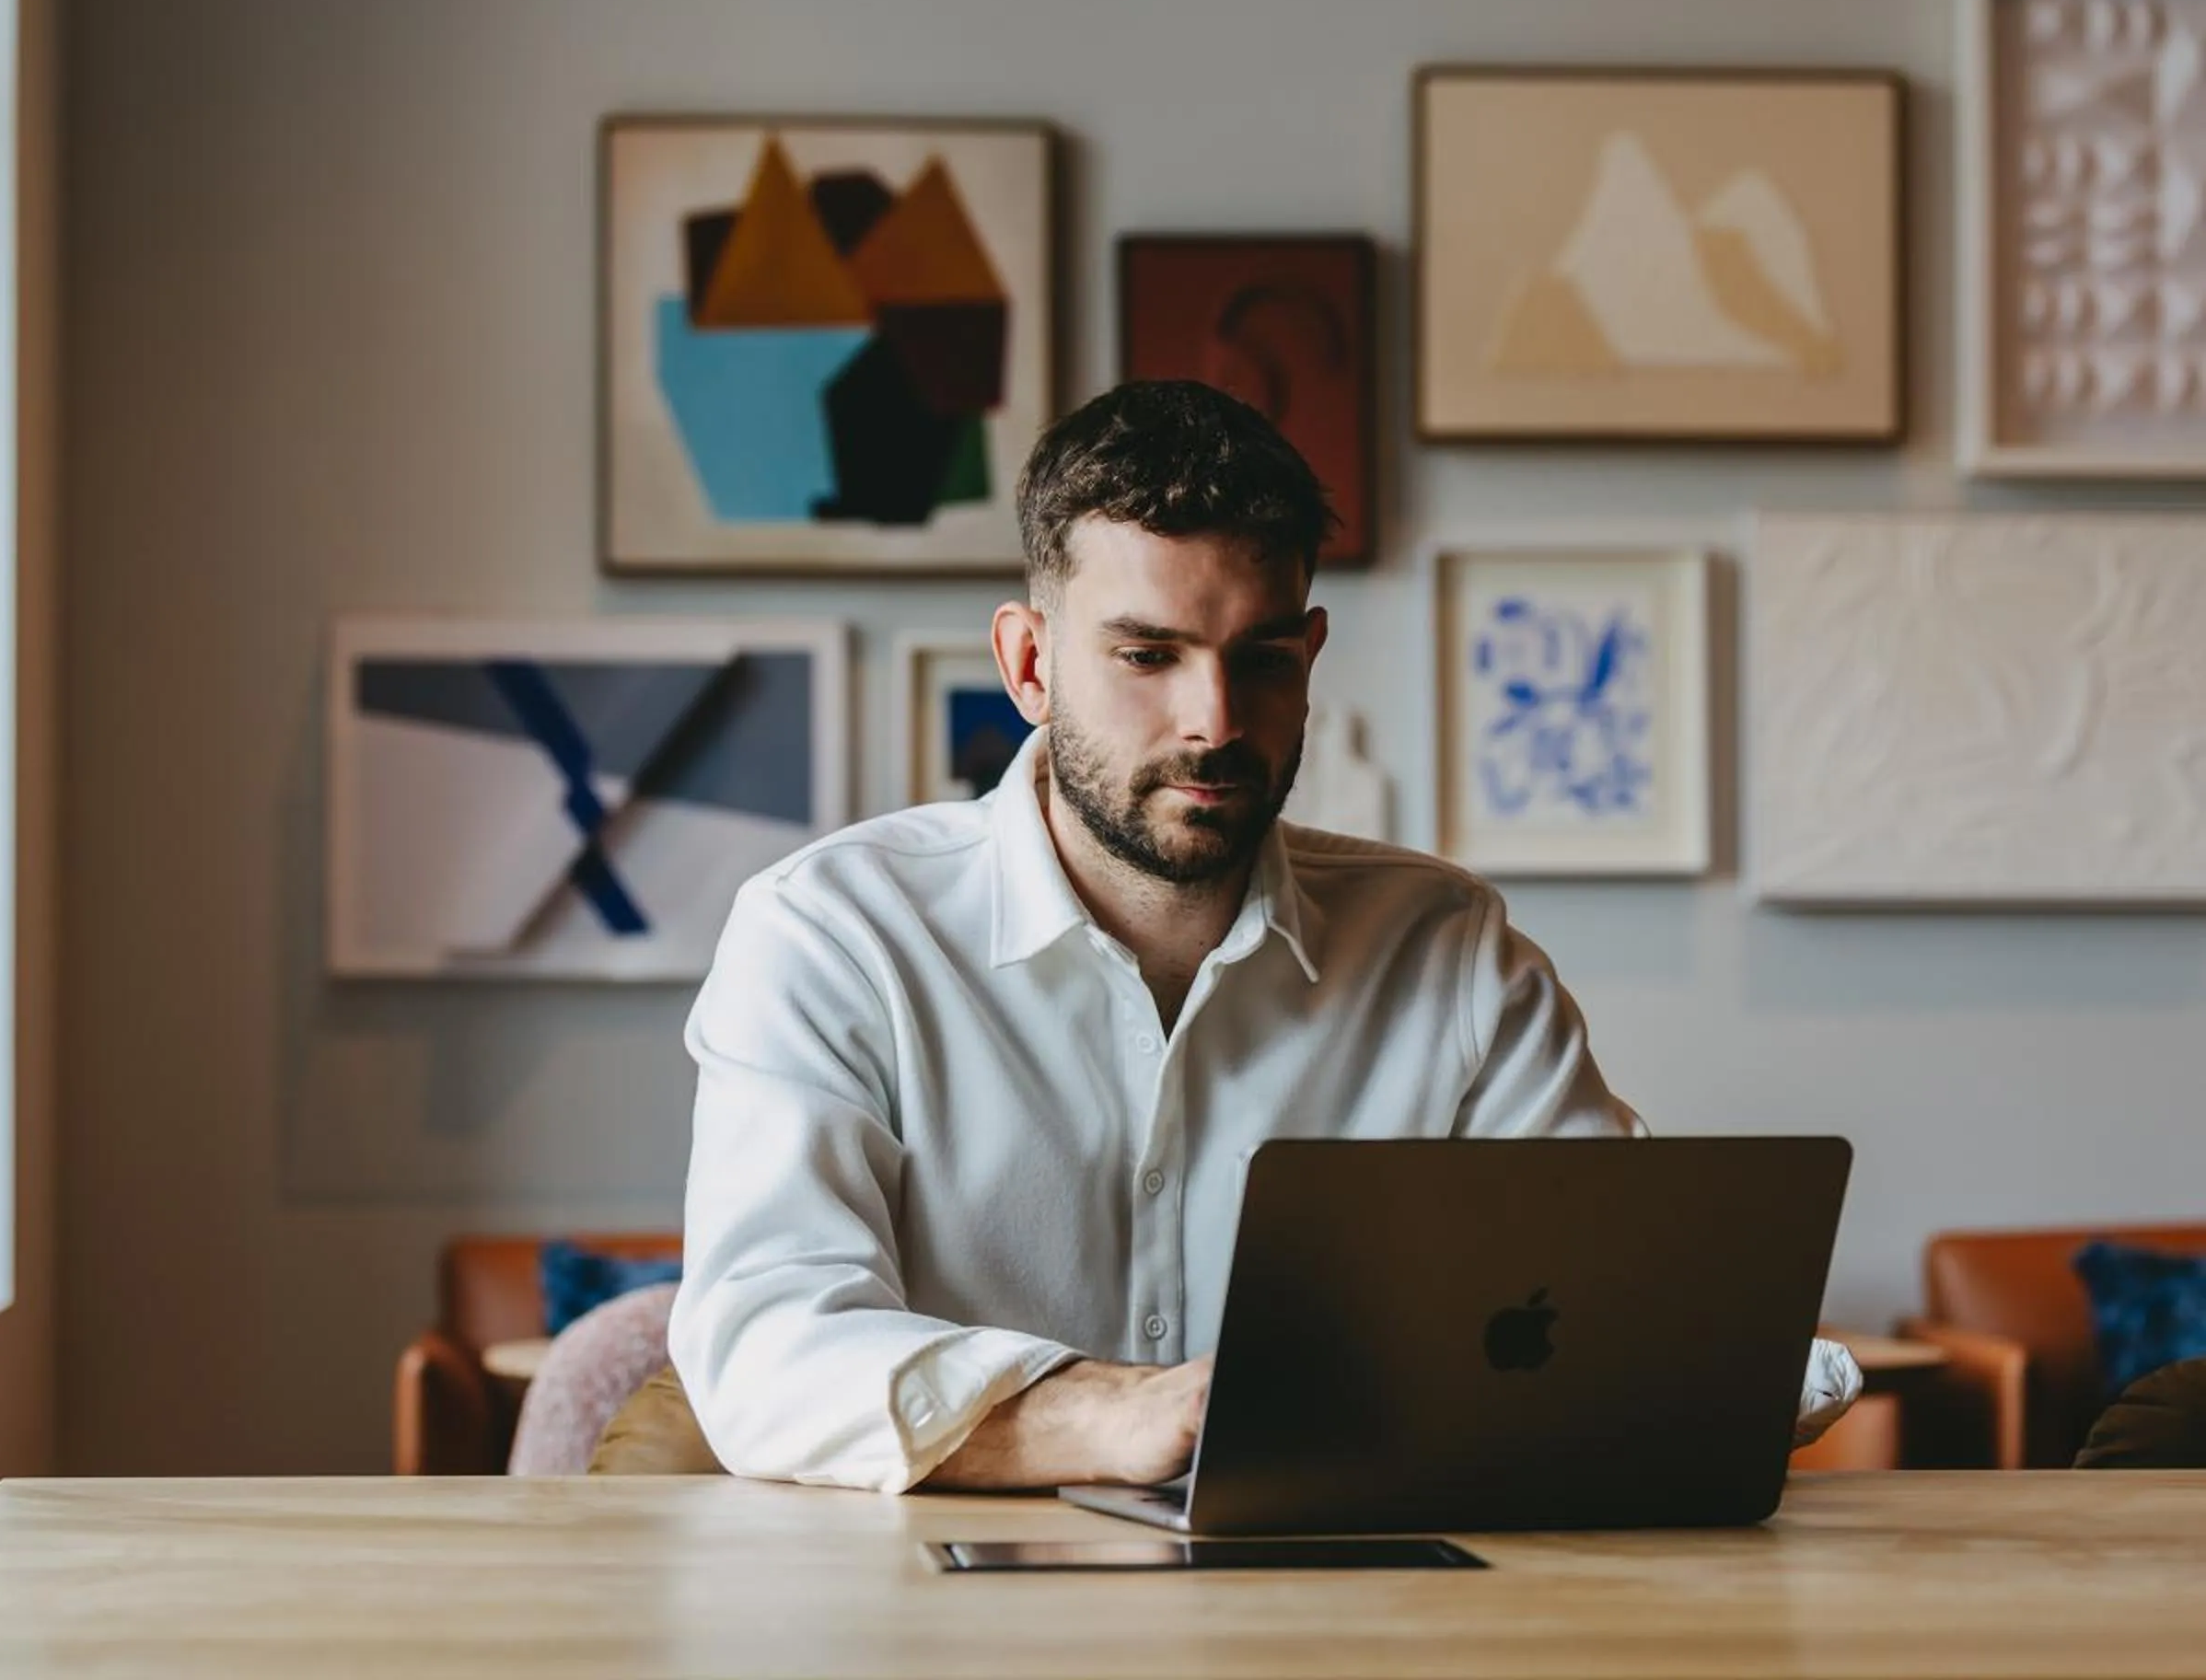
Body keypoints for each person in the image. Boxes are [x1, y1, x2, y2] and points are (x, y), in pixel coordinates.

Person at [666, 379, 1854, 1493]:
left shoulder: (1447, 950)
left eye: (1263, 659)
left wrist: (1736, 1370)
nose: (1216, 720)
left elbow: (1614, 1300)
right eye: (1148, 656)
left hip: (1357, 1599)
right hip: (944, 1604)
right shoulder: (835, 936)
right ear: (1030, 665)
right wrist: (1107, 1415)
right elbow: (764, 1348)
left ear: (1310, 654)